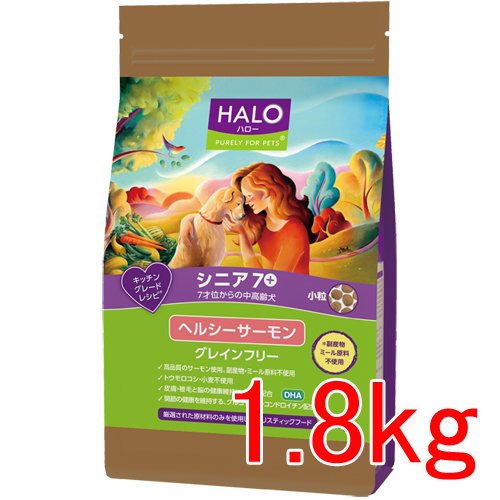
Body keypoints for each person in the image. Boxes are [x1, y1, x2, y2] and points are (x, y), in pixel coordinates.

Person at [223, 162, 314, 274]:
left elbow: (276, 280)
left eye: (249, 196)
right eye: (245, 197)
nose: (247, 202)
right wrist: (242, 233)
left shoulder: (294, 230)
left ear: (268, 190)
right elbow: (258, 274)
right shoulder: (262, 227)